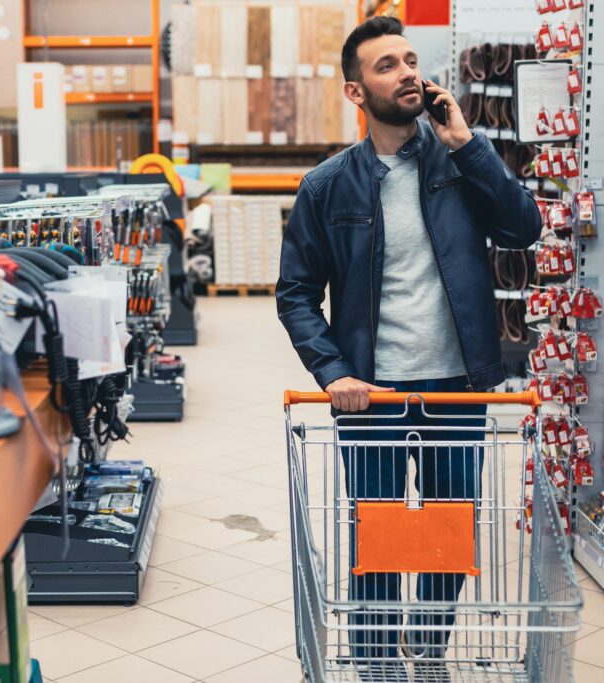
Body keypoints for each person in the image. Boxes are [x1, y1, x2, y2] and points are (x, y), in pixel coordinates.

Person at [275, 16, 541, 683]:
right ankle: (372, 663)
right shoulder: (326, 186)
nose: (408, 72)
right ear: (356, 92)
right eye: (387, 65)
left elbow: (523, 227)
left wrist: (467, 142)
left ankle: (425, 644)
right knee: (377, 540)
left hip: (458, 386)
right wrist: (333, 372)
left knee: (451, 537)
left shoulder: (460, 162)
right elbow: (296, 294)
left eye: (411, 59)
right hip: (374, 394)